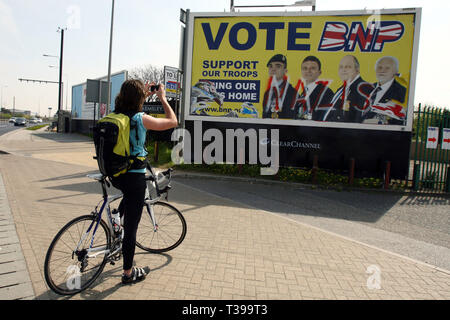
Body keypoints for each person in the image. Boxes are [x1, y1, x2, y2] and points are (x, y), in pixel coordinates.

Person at [111, 79, 178, 284]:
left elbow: (129, 106)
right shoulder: (142, 119)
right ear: (140, 98)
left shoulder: (115, 115)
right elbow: (172, 121)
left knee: (128, 197)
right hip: (134, 176)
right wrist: (163, 98)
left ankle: (115, 217)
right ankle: (128, 273)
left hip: (115, 174)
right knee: (131, 229)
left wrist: (143, 95)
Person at [324, 55, 371, 122]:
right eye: (341, 67)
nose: (344, 70)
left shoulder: (363, 88)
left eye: (348, 67)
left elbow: (360, 119)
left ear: (357, 70)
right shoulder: (341, 89)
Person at [363, 56, 407, 125]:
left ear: (395, 71)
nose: (382, 70)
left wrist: (381, 122)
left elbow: (401, 118)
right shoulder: (366, 88)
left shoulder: (402, 92)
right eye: (379, 67)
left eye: (387, 68)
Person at [292, 56, 334, 121]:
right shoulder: (303, 93)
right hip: (299, 129)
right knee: (274, 130)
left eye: (312, 68)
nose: (308, 71)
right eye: (305, 68)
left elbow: (325, 119)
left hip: (315, 130)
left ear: (319, 72)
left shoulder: (327, 93)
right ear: (301, 72)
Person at [262, 54, 297, 119]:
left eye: (278, 66)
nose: (273, 69)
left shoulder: (292, 92)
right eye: (270, 66)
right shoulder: (267, 93)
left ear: (285, 71)